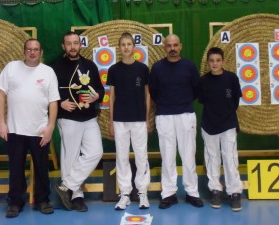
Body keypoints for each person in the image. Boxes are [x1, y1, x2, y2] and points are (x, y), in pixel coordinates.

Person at [0, 38, 60, 218]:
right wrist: (1, 122)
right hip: (14, 129)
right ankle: (15, 202)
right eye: (29, 49)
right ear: (24, 52)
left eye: (36, 49)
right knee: (15, 168)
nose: (32, 52)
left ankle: (43, 200)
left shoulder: (48, 72)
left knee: (41, 168)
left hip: (40, 130)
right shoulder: (11, 68)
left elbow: (54, 101)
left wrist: (50, 127)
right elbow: (0, 94)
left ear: (41, 52)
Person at [149, 34, 203, 209]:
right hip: (164, 115)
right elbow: (154, 92)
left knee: (188, 155)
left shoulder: (189, 66)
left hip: (186, 114)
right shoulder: (157, 68)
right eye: (169, 46)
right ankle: (169, 193)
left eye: (175, 45)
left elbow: (196, 89)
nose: (172, 48)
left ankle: (192, 193)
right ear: (164, 47)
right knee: (168, 156)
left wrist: (182, 101)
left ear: (181, 46)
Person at [52, 31, 104, 212]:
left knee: (96, 152)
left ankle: (66, 186)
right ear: (63, 46)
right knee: (70, 158)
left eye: (76, 43)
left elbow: (100, 90)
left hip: (89, 118)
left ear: (80, 45)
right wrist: (60, 103)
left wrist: (97, 95)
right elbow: (48, 93)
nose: (73, 47)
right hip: (68, 118)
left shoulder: (89, 65)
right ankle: (76, 197)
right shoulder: (55, 66)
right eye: (69, 43)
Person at [107, 32, 151, 210]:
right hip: (120, 121)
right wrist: (111, 121)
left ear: (134, 47)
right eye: (123, 44)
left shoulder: (142, 69)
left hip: (139, 119)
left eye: (129, 44)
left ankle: (143, 193)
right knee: (122, 157)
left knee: (141, 156)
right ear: (119, 48)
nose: (126, 47)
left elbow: (147, 95)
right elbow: (111, 97)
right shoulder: (114, 70)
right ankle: (124, 194)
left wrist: (147, 118)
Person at [198, 47, 243, 211]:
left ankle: (235, 193)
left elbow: (235, 102)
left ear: (223, 61)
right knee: (212, 159)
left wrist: (226, 116)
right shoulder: (203, 81)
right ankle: (215, 190)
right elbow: (202, 100)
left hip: (228, 124)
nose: (215, 64)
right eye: (212, 61)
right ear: (208, 63)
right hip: (209, 125)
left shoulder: (232, 78)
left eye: (218, 60)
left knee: (230, 159)